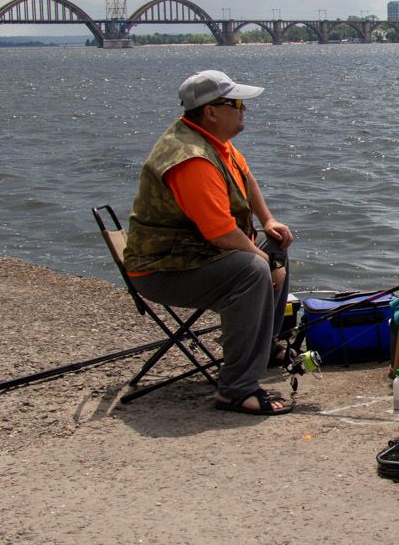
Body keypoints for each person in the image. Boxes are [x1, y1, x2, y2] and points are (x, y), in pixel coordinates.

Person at [123, 69, 295, 415]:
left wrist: (268, 221)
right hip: (163, 270)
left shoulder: (213, 141)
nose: (244, 109)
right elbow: (222, 235)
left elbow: (245, 177)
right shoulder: (192, 159)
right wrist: (266, 264)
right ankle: (236, 390)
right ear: (211, 111)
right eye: (236, 103)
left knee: (276, 246)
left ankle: (264, 348)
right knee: (253, 270)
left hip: (196, 256)